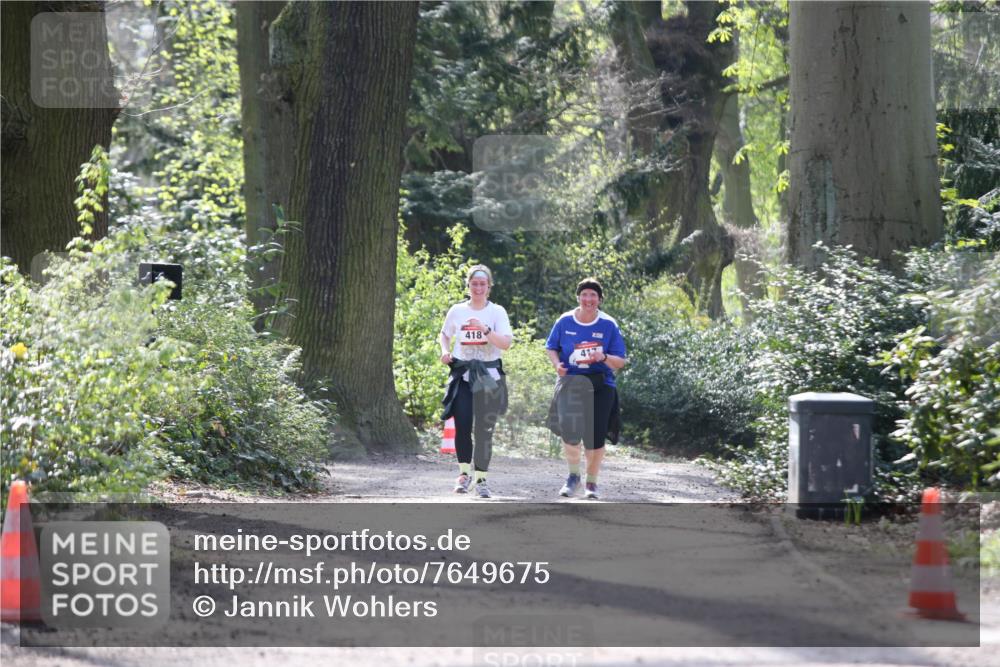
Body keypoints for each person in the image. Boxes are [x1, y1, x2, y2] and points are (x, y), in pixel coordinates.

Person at [545, 278, 626, 500]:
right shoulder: (564, 321)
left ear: (599, 300)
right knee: (570, 434)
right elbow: (551, 347)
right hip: (570, 381)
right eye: (585, 295)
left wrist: (604, 357)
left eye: (593, 296)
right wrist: (557, 365)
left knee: (595, 437)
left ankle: (591, 482)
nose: (589, 299)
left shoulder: (608, 324)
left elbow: (620, 361)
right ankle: (573, 477)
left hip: (601, 384)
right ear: (578, 297)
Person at [439, 265, 513, 498]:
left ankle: (481, 478)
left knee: (484, 431)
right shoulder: (457, 310)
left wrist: (485, 329)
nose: (478, 288)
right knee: (462, 425)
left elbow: (505, 343)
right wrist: (444, 351)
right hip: (463, 375)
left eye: (483, 284)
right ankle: (463, 474)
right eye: (474, 283)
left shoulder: (497, 312)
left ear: (489, 287)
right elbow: (444, 334)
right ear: (468, 285)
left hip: (488, 378)